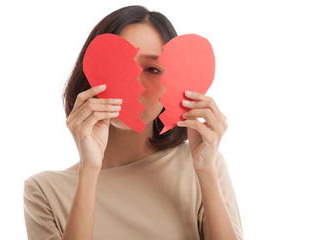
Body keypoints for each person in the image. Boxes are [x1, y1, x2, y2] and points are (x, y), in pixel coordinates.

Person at [23, 5, 244, 240]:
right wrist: (89, 170)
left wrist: (206, 171)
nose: (135, 84)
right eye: (119, 66)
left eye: (151, 69)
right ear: (90, 73)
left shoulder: (202, 165)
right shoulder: (44, 191)